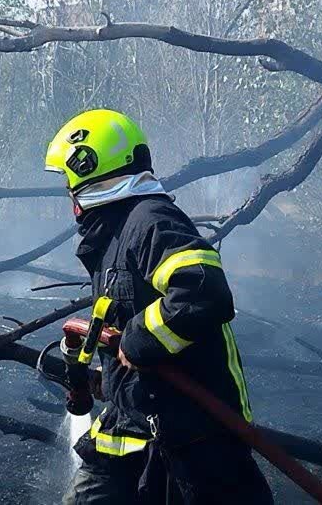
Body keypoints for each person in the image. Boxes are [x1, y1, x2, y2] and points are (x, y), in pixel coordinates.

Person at [44, 109, 273, 504]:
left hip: (194, 434)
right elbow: (127, 317)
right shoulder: (115, 233)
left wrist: (137, 341)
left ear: (89, 167)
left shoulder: (149, 219)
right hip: (132, 430)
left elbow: (202, 291)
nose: (68, 190)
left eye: (68, 178)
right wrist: (107, 377)